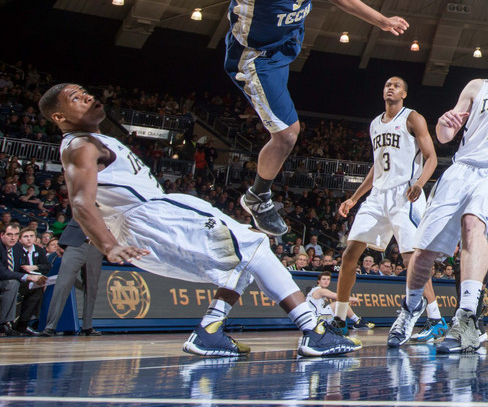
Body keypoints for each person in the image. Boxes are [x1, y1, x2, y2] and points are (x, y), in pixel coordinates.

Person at [38, 83, 359, 358]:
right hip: (154, 216)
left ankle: (210, 331)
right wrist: (108, 245)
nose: (89, 97)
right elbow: (80, 203)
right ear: (59, 116)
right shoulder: (81, 145)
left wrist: (113, 240)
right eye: (76, 98)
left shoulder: (91, 141)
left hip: (144, 224)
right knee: (256, 244)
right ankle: (314, 331)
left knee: (241, 261)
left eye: (86, 92)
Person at [226, 0, 409, 236]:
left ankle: (258, 195)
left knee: (288, 132)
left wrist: (381, 21)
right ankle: (258, 196)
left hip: (286, 46)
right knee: (287, 135)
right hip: (256, 55)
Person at [388, 35, 488, 354]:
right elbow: (447, 134)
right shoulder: (477, 86)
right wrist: (443, 124)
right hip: (461, 168)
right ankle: (410, 310)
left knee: (473, 224)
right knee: (423, 253)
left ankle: (466, 318)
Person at [337, 77, 444, 346]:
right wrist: (353, 198)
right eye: (387, 84)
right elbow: (376, 167)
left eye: (396, 85)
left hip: (406, 193)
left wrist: (420, 183)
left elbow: (431, 157)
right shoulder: (375, 124)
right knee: (350, 253)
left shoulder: (413, 118)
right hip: (377, 196)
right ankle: (339, 319)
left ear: (404, 93)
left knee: (412, 261)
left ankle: (435, 319)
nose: (390, 87)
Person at [40, 219, 105, 336]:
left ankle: (87, 326)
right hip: (76, 244)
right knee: (62, 284)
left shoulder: (116, 206)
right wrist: (62, 243)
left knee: (92, 288)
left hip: (97, 247)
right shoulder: (89, 200)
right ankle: (50, 326)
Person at [1, 222, 47, 336]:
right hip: (4, 279)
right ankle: (4, 324)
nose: (13, 238)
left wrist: (34, 276)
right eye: (9, 234)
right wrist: (27, 277)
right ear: (2, 235)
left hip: (9, 279)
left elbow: (19, 269)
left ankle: (22, 325)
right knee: (13, 284)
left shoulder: (17, 247)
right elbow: (2, 272)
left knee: (35, 287)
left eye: (16, 234)